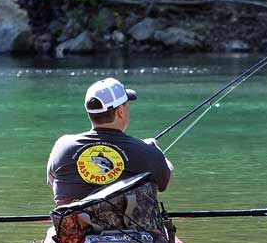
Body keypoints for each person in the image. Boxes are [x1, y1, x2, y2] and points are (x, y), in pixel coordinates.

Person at [47, 77, 173, 205]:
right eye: (126, 105)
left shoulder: (62, 146)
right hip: (129, 225)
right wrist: (156, 152)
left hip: (73, 225)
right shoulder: (147, 150)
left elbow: (53, 182)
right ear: (120, 111)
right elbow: (164, 182)